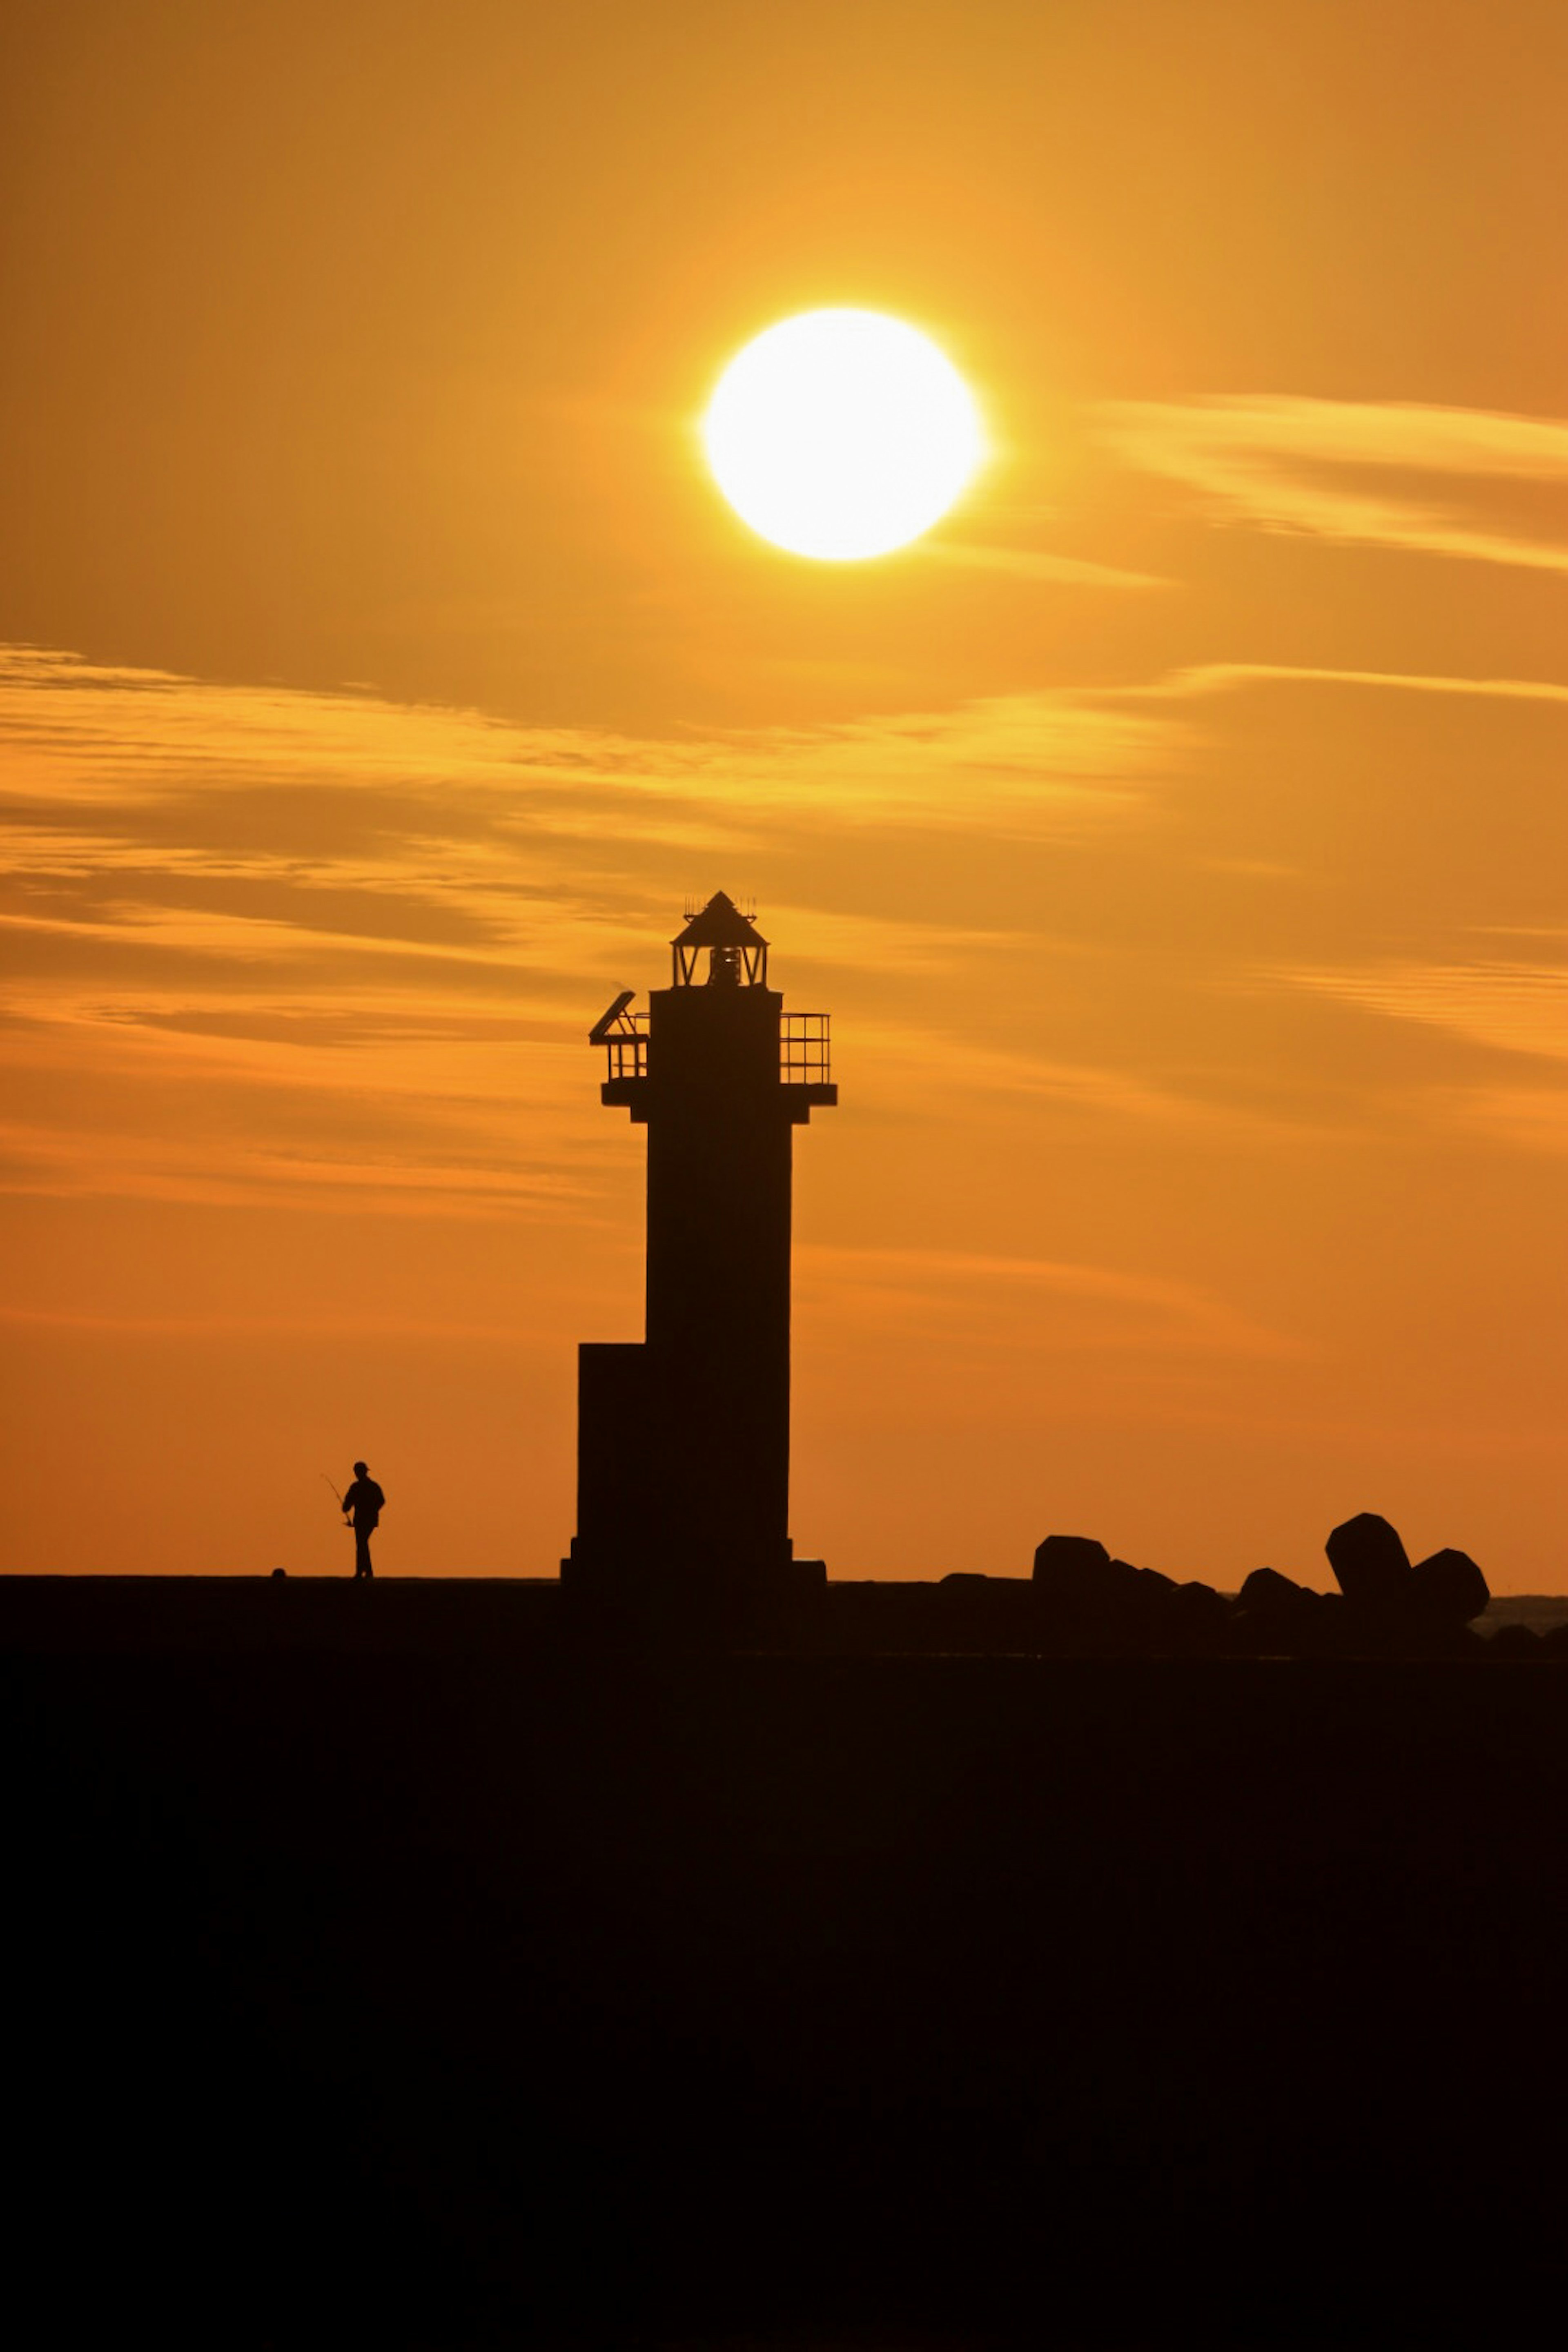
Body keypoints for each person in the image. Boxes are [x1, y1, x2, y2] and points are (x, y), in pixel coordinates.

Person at [341, 1461, 385, 1579]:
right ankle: (366, 1572)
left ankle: (363, 1572)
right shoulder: (373, 1486)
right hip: (370, 1520)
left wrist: (346, 1507)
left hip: (362, 1520)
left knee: (362, 1544)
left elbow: (347, 1505)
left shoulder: (356, 1487)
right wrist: (373, 1510)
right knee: (362, 1544)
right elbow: (381, 1501)